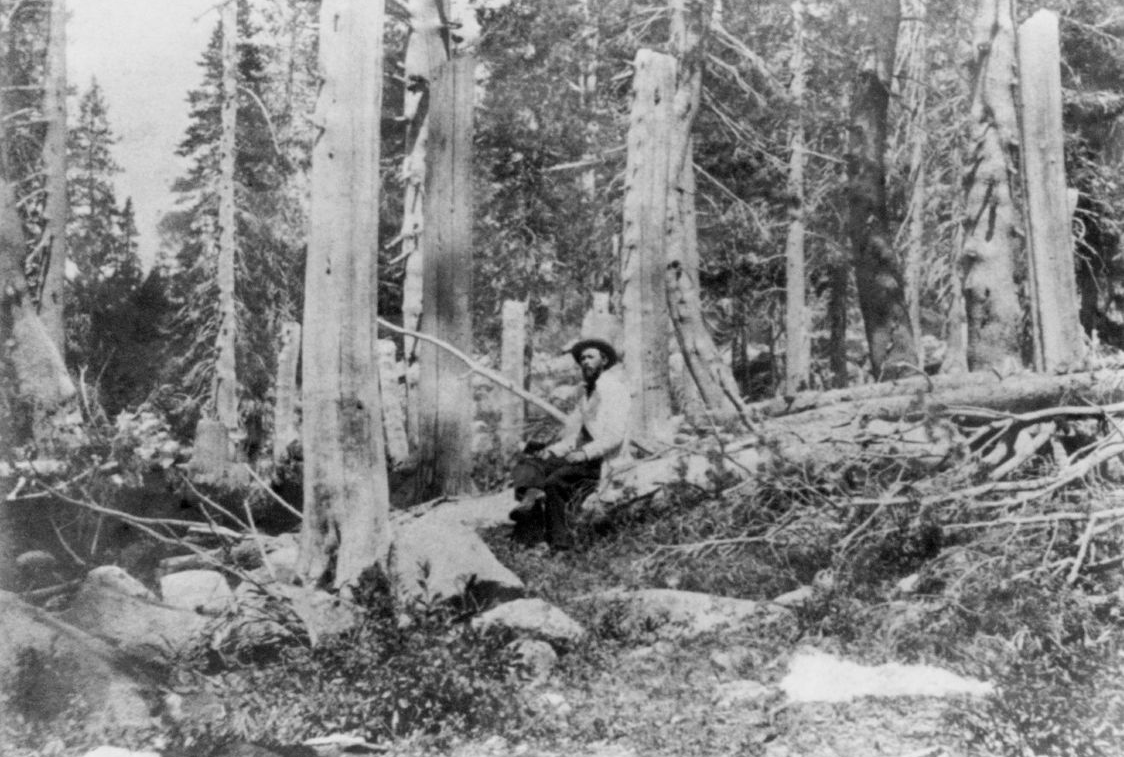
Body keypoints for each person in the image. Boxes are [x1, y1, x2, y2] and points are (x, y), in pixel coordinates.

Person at [510, 337, 631, 549]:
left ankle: (561, 545)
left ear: (604, 360)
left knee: (555, 482)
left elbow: (615, 435)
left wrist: (584, 454)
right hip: (583, 458)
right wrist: (552, 451)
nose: (585, 362)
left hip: (604, 462)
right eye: (582, 358)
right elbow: (576, 436)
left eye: (590, 357)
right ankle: (531, 504)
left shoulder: (615, 389)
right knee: (531, 463)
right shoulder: (585, 393)